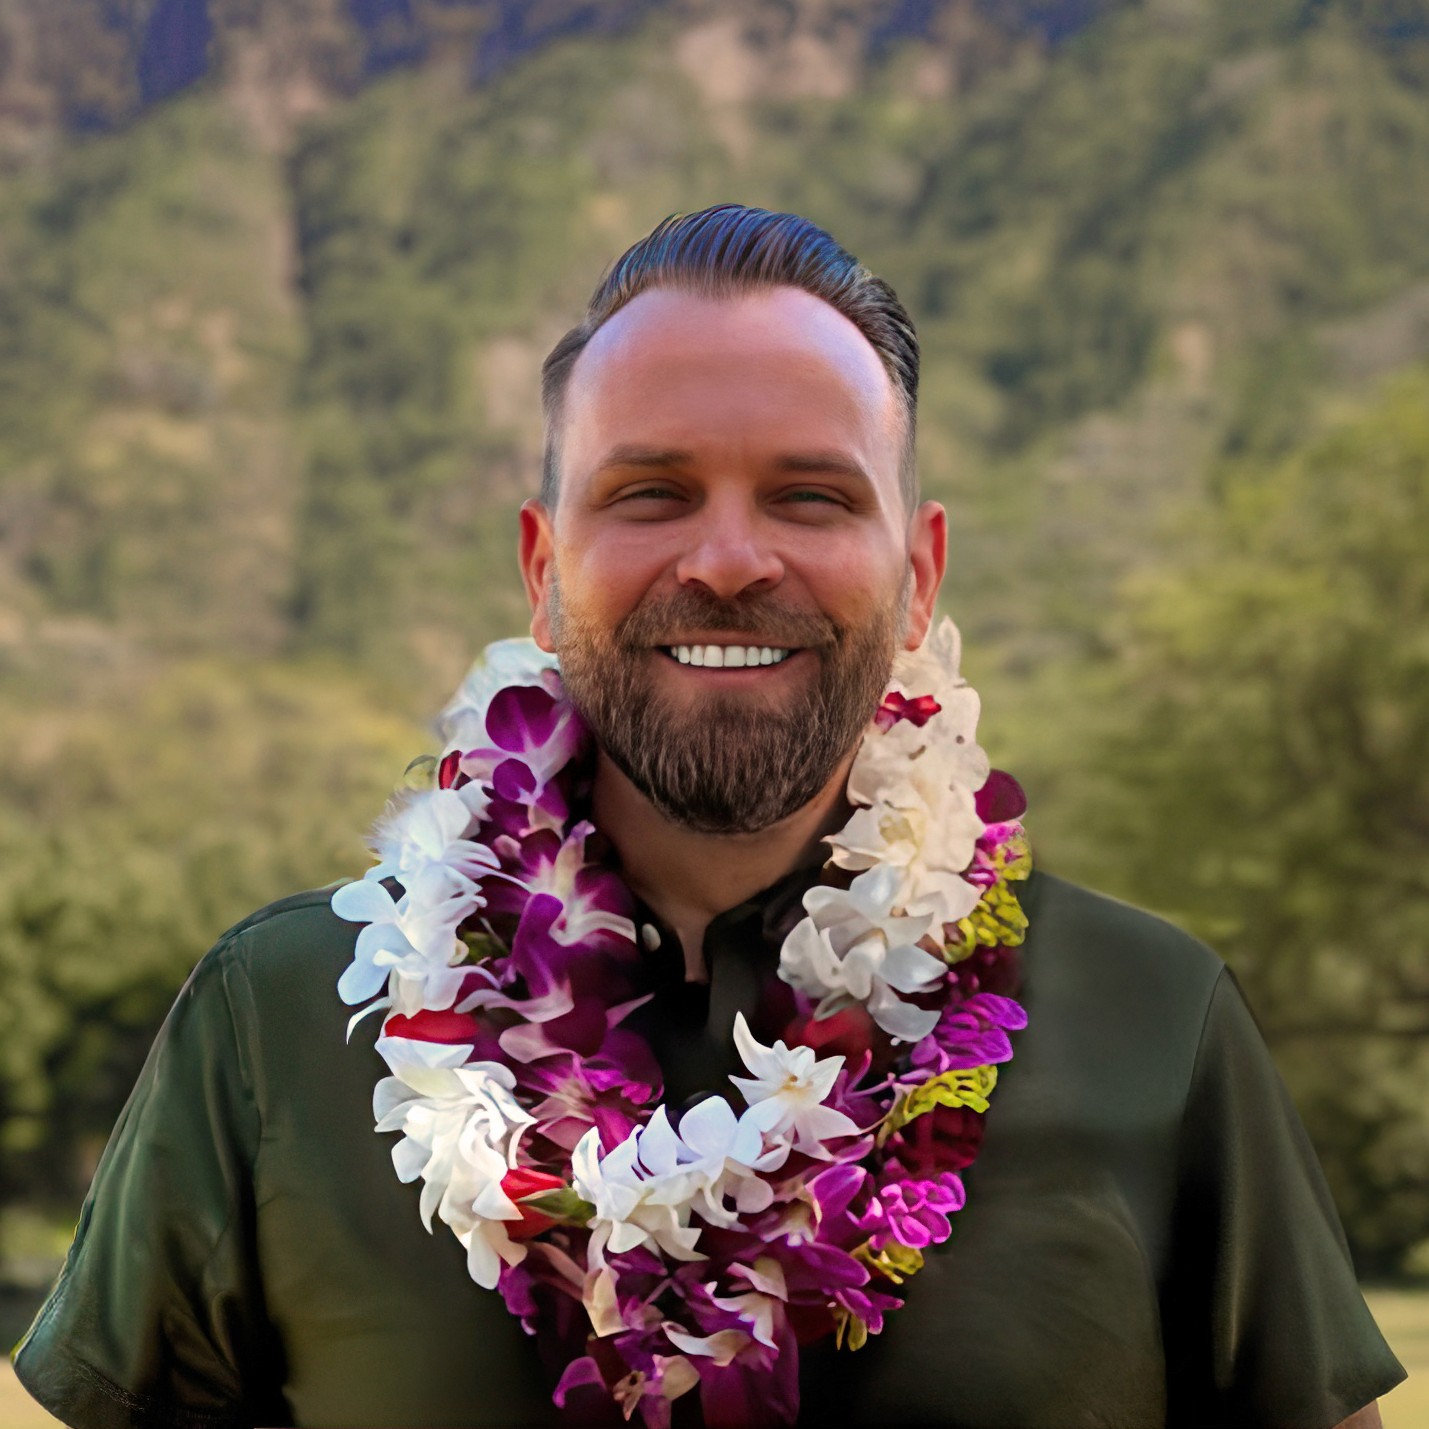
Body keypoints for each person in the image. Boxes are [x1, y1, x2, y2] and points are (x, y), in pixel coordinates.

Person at [11, 204, 1405, 1428]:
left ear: (917, 577)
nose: (730, 558)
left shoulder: (1155, 1023)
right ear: (541, 568)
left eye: (809, 494)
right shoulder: (281, 1023)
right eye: (649, 492)